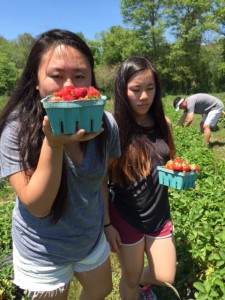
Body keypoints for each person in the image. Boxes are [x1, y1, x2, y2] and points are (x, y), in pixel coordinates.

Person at [0, 29, 121, 300]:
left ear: (92, 79)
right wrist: (52, 144)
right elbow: (38, 206)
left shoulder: (106, 123)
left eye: (80, 76)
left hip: (88, 237)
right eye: (56, 76)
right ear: (36, 81)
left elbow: (101, 180)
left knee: (102, 289)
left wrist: (105, 224)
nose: (69, 87)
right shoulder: (16, 130)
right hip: (42, 249)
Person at [104, 56, 177, 300]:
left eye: (150, 88)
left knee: (165, 276)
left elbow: (167, 163)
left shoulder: (163, 124)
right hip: (125, 216)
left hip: (159, 214)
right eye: (136, 90)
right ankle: (136, 288)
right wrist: (106, 224)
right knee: (130, 278)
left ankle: (144, 286)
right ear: (123, 90)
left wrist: (179, 174)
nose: (144, 96)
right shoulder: (113, 128)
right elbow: (101, 181)